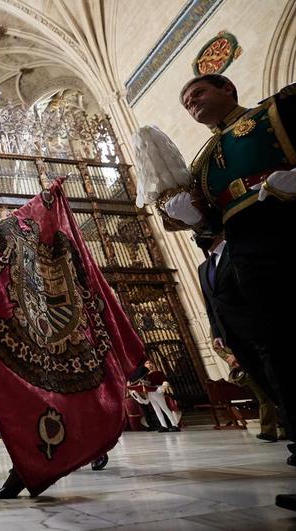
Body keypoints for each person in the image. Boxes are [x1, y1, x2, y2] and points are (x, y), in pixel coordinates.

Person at [162, 75, 296, 508]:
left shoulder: (274, 112)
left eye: (198, 93)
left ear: (228, 90)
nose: (191, 103)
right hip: (247, 254)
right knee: (278, 350)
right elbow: (212, 224)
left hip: (288, 228)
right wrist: (193, 220)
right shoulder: (202, 165)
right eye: (185, 102)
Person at [195, 234, 279, 441]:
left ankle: (284, 429)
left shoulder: (237, 250)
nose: (197, 237)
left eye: (200, 230)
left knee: (275, 380)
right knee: (263, 383)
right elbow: (210, 304)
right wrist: (216, 331)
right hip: (230, 335)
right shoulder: (203, 268)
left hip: (254, 328)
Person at [142, 360, 180, 432]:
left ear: (153, 364)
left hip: (157, 390)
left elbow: (164, 381)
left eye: (150, 362)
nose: (149, 364)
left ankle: (175, 425)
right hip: (150, 392)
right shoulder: (145, 375)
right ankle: (163, 426)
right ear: (144, 366)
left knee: (164, 408)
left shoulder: (158, 372)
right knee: (157, 410)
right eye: (147, 363)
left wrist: (163, 387)